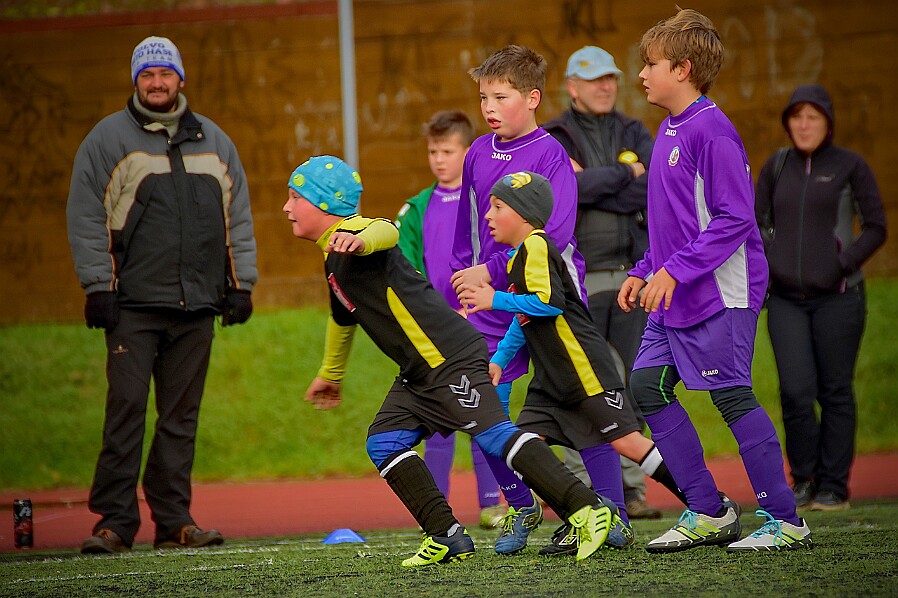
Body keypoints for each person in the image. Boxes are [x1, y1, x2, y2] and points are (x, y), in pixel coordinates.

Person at [284, 155, 618, 565]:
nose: (286, 207)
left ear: (323, 203)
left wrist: (361, 239)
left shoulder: (354, 234)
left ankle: (587, 508)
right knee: (384, 442)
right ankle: (447, 535)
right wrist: (330, 374)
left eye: (294, 197)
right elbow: (341, 318)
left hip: (450, 357)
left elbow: (383, 229)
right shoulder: (332, 260)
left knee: (495, 435)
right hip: (419, 373)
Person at [617, 8, 813, 552]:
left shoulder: (712, 130)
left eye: (650, 64)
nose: (642, 75)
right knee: (646, 388)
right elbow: (673, 224)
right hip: (674, 292)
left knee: (730, 395)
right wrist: (644, 271)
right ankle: (707, 511)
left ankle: (786, 520)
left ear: (682, 69)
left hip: (719, 294)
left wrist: (674, 272)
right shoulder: (668, 130)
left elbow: (735, 218)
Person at [66, 36, 257, 554]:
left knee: (181, 416)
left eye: (165, 74)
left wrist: (240, 284)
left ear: (180, 79)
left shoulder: (214, 141)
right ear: (136, 81)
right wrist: (97, 286)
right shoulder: (107, 139)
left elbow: (235, 216)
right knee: (125, 407)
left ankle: (174, 521)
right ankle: (114, 523)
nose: (156, 83)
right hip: (131, 305)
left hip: (197, 306)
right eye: (147, 76)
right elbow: (86, 217)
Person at [447, 44, 636, 555]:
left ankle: (612, 514)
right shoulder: (476, 154)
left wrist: (488, 275)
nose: (489, 106)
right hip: (488, 299)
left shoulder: (551, 152)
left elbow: (555, 232)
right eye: (484, 96)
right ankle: (520, 506)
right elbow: (466, 230)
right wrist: (461, 281)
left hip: (543, 295)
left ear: (531, 98)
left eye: (500, 96)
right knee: (485, 409)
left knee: (582, 405)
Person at [457, 170, 690, 556]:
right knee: (523, 446)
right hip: (552, 380)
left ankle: (705, 503)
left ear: (524, 214)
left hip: (584, 370)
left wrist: (492, 299)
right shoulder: (519, 255)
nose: (488, 215)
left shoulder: (535, 245)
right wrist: (499, 360)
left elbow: (549, 303)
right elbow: (526, 319)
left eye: (498, 207)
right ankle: (586, 514)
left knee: (629, 444)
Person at [755, 84, 887, 511]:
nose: (804, 124)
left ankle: (834, 485)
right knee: (795, 390)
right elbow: (757, 226)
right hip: (787, 301)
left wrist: (842, 264)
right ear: (788, 122)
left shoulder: (850, 166)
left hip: (840, 298)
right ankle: (805, 479)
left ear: (828, 121)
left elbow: (875, 226)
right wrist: (770, 268)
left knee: (834, 390)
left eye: (813, 116)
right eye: (797, 116)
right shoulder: (776, 166)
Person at [543, 45, 660, 520]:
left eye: (610, 78)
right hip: (579, 283)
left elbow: (651, 188)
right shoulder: (554, 135)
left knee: (633, 383)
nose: (606, 86)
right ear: (572, 87)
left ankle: (634, 490)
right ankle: (588, 492)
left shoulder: (634, 128)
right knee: (584, 384)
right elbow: (562, 192)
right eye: (594, 80)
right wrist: (622, 174)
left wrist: (594, 184)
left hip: (633, 277)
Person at [395, 110, 505, 529]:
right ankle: (437, 510)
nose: (439, 159)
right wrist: (434, 315)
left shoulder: (484, 201)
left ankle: (493, 503)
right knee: (438, 418)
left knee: (481, 409)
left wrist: (476, 303)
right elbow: (405, 269)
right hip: (435, 330)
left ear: (467, 151)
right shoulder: (416, 208)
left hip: (480, 322)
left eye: (448, 151)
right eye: (432, 152)